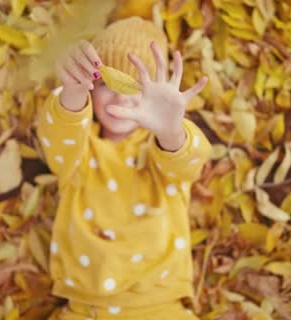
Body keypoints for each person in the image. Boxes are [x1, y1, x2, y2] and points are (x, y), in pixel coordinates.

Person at [36, 16, 211, 320]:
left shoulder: (161, 149)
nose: (120, 97)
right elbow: (59, 133)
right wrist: (74, 90)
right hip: (86, 309)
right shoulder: (80, 149)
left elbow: (189, 162)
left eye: (136, 86)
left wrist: (170, 130)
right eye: (106, 83)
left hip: (161, 307)